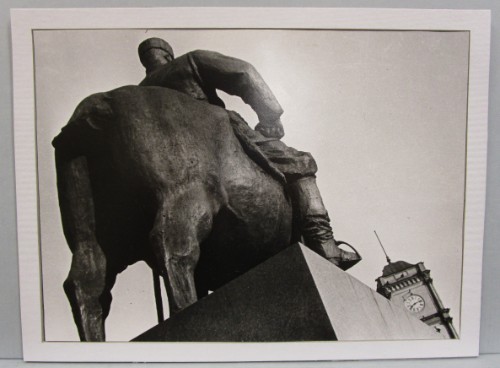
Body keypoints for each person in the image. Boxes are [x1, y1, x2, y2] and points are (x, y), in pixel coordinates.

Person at [137, 37, 361, 270]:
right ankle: (324, 245)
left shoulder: (141, 91)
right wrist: (270, 116)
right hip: (217, 130)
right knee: (301, 162)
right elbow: (243, 73)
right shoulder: (188, 61)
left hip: (170, 156)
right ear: (167, 55)